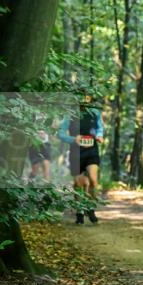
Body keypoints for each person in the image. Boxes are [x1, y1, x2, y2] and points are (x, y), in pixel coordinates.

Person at [59, 94, 104, 224]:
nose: (84, 100)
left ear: (90, 99)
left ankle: (90, 208)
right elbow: (60, 134)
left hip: (92, 150)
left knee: (93, 181)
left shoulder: (95, 112)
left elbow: (100, 128)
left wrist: (99, 135)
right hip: (76, 152)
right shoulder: (70, 115)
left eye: (87, 97)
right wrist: (73, 139)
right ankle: (79, 211)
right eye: (81, 97)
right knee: (80, 184)